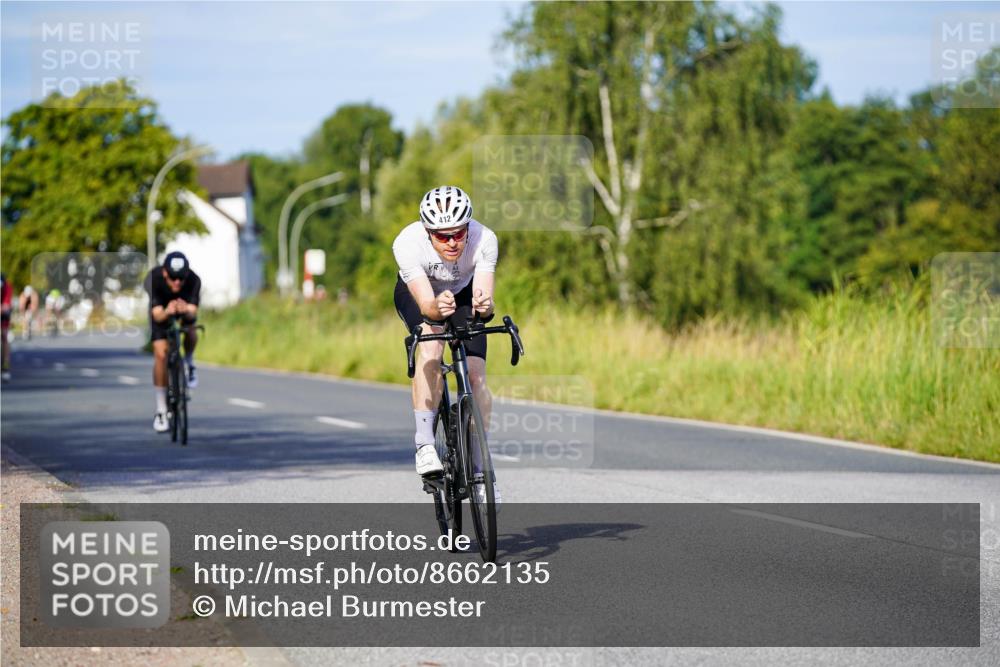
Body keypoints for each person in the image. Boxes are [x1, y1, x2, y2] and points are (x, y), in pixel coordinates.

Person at [392, 185, 501, 505]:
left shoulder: (485, 238)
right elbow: (427, 304)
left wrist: (484, 307)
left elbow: (485, 300)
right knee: (431, 346)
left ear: (469, 227)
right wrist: (435, 310)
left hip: (464, 293)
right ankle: (425, 444)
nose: (452, 242)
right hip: (421, 296)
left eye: (458, 233)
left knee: (478, 376)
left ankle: (481, 471)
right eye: (442, 236)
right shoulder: (407, 243)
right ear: (428, 233)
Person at [146, 251, 201, 433]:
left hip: (182, 309)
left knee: (192, 332)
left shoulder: (193, 280)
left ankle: (189, 362)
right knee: (161, 353)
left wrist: (185, 310)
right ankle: (161, 409)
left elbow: (193, 313)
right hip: (161, 311)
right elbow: (157, 315)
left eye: (181, 278)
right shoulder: (154, 279)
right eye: (173, 278)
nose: (177, 282)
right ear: (164, 273)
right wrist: (168, 311)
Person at [1, 274, 12, 381]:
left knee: (4, 335)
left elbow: (5, 306)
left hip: (3, 312)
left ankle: (5, 364)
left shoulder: (7, 286)